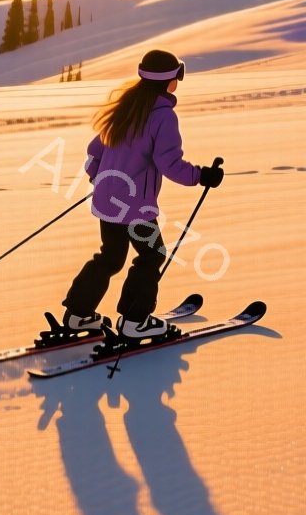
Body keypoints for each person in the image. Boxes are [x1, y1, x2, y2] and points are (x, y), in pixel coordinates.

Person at [62, 49, 223, 341]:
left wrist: (99, 178)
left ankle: (77, 314)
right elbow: (169, 164)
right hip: (134, 208)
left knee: (110, 257)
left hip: (107, 203)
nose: (178, 81)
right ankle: (135, 321)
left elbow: (94, 152)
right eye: (177, 76)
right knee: (152, 255)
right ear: (169, 81)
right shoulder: (163, 117)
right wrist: (202, 176)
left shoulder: (127, 106)